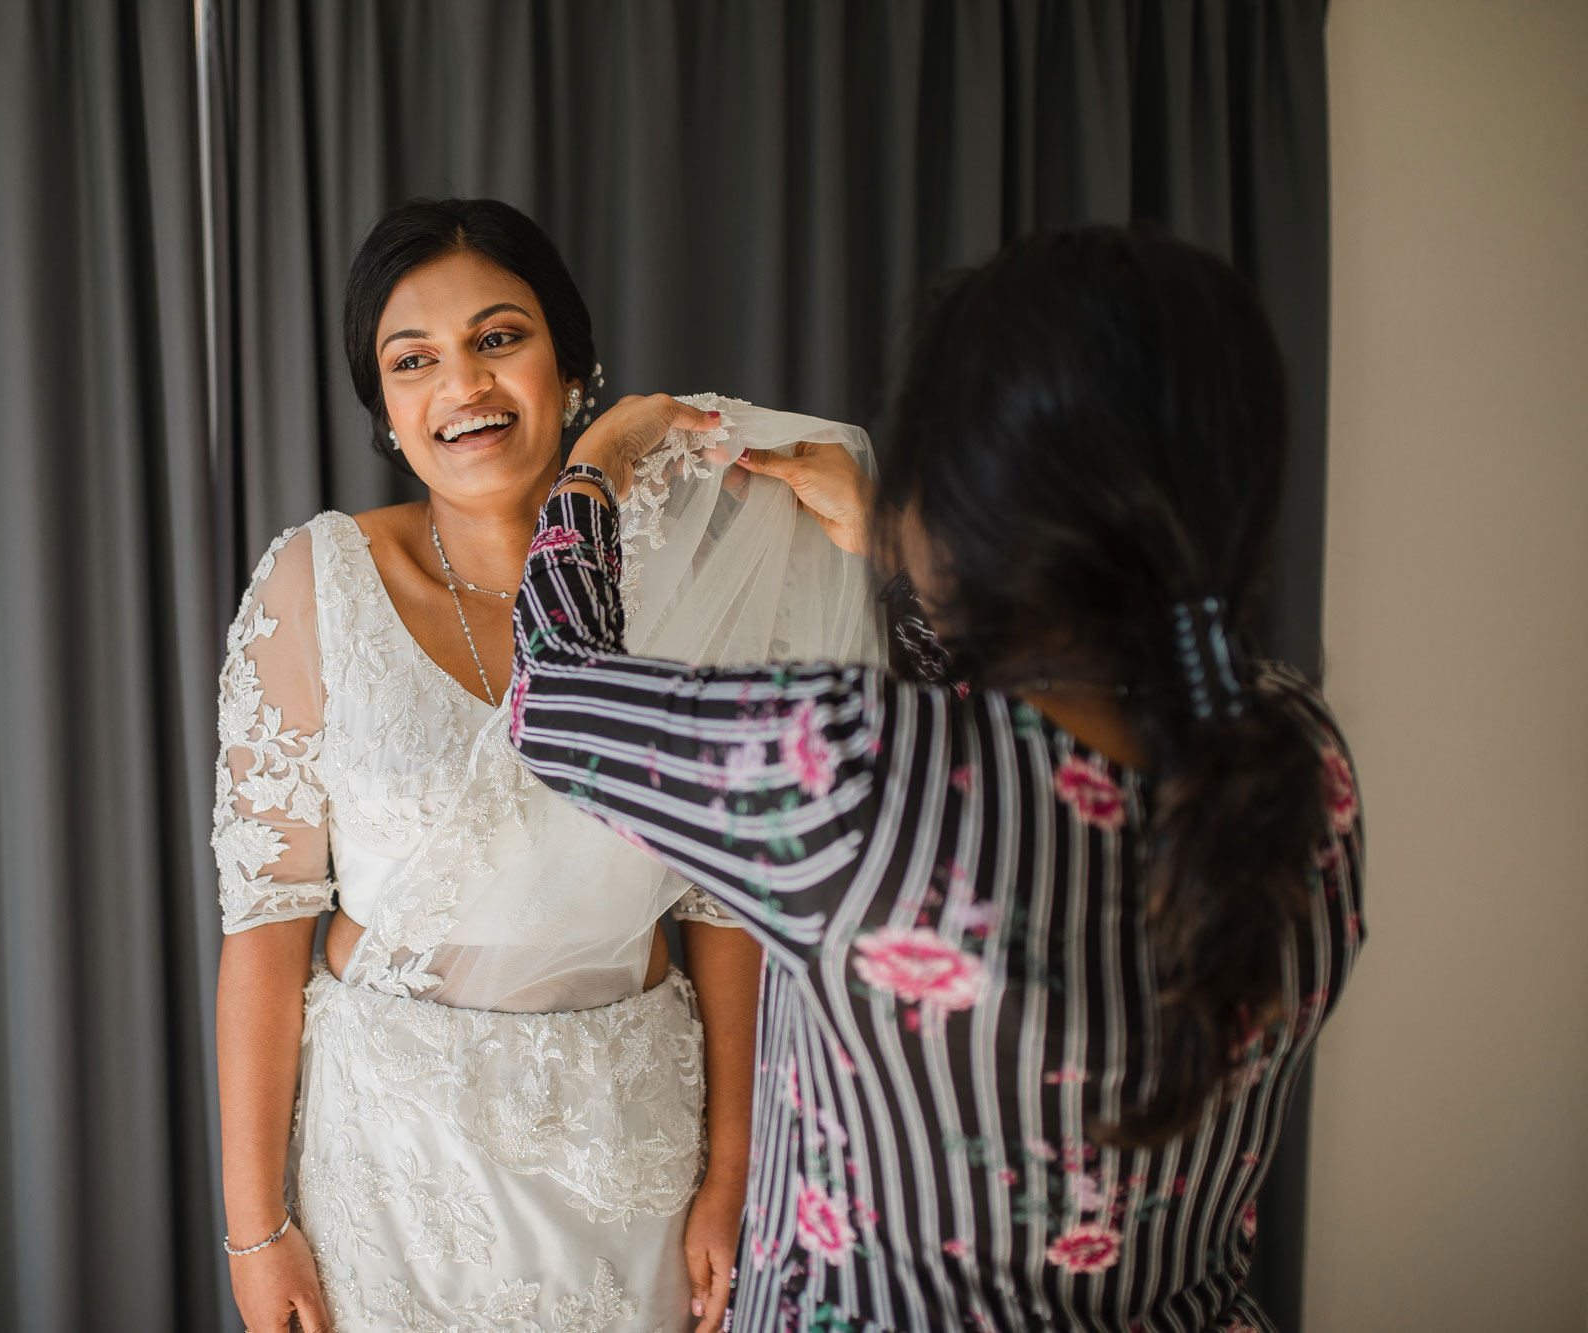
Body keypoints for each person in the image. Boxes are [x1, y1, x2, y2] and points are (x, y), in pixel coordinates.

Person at [508, 227, 1366, 1332]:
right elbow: (1043, 720)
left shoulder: (854, 772)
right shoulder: (1294, 752)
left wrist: (594, 467)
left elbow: (554, 696)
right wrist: (904, 557)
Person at [212, 197, 882, 1333]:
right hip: (388, 1171)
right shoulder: (315, 582)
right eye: (411, 359)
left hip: (629, 1156)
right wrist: (253, 1227)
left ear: (573, 368)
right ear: (383, 406)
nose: (461, 385)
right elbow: (265, 930)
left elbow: (726, 906)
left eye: (497, 337)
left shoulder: (698, 575)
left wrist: (732, 1172)